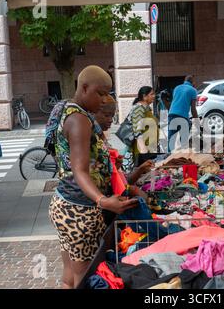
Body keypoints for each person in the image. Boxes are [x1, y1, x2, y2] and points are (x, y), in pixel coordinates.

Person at [48, 65, 139, 289]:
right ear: (85, 88)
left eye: (108, 93)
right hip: (80, 210)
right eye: (101, 93)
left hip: (64, 203)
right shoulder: (79, 119)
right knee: (84, 279)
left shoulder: (64, 109)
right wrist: (102, 199)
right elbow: (80, 170)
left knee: (69, 276)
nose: (104, 99)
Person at [93, 94, 154, 185]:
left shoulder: (102, 139)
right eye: (107, 115)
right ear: (144, 96)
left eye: (112, 116)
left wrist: (140, 169)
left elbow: (121, 180)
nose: (111, 120)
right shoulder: (139, 109)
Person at [120, 86, 159, 173]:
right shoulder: (139, 108)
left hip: (149, 147)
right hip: (142, 148)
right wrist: (143, 150)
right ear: (144, 96)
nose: (154, 96)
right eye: (151, 94)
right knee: (142, 171)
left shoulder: (146, 109)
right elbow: (137, 130)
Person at [168, 75, 198, 152]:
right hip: (183, 116)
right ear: (193, 82)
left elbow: (175, 101)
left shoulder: (177, 88)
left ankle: (168, 156)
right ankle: (183, 156)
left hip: (171, 114)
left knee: (171, 139)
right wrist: (196, 121)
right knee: (184, 141)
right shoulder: (193, 90)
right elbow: (193, 109)